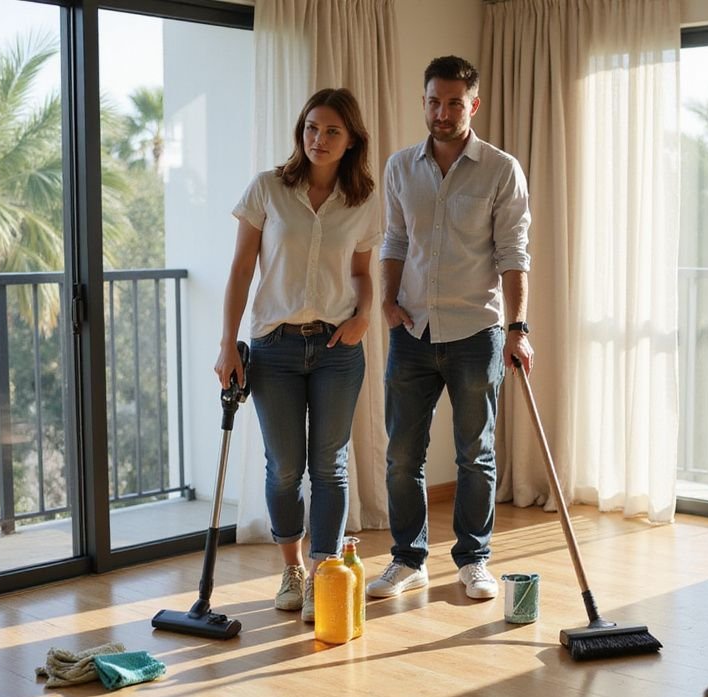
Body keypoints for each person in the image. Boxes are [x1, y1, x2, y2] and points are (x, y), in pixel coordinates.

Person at [367, 55, 533, 602]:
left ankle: (474, 560)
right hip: (411, 332)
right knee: (402, 456)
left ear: (473, 105)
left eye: (454, 103)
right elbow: (395, 240)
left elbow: (513, 253)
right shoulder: (399, 167)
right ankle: (407, 560)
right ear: (423, 102)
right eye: (434, 102)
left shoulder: (501, 170)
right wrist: (387, 301)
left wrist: (518, 328)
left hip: (476, 333)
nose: (442, 113)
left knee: (474, 455)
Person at [216, 88, 381, 623]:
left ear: (351, 139)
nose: (319, 139)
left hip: (337, 348)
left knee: (330, 465)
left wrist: (363, 315)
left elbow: (361, 272)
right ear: (300, 131)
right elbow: (242, 267)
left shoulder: (362, 199)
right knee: (285, 466)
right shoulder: (268, 188)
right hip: (275, 347)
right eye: (311, 127)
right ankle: (292, 570)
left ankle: (323, 572)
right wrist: (227, 344)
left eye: (332, 131)